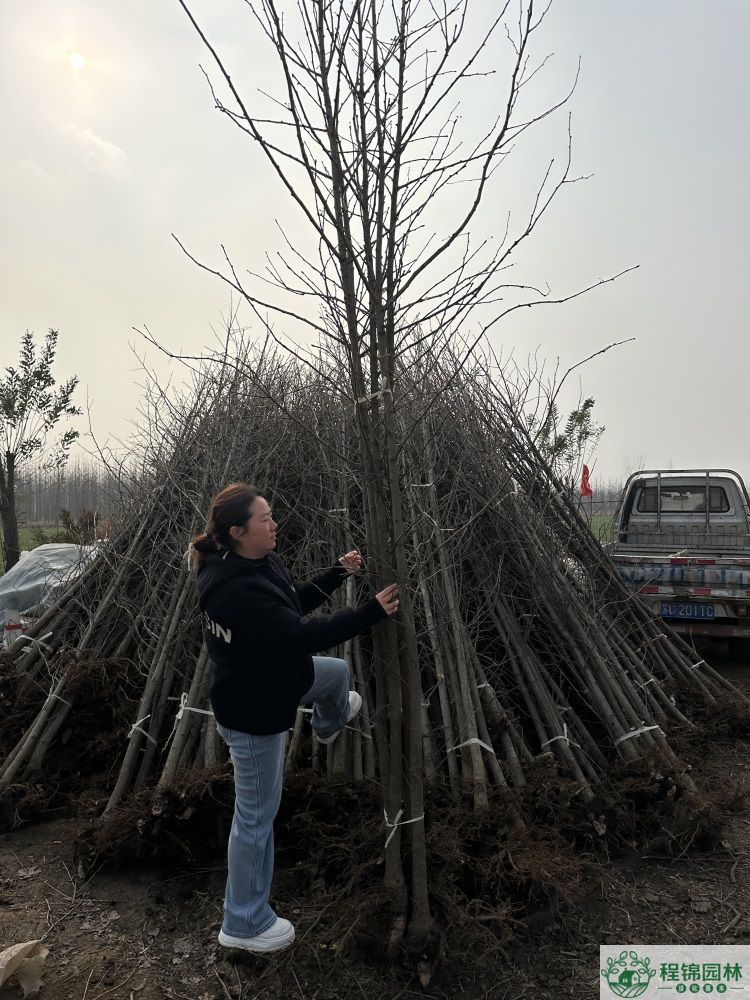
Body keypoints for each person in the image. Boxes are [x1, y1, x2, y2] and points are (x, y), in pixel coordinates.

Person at [190, 482, 398, 955]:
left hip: (274, 680)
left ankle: (328, 723)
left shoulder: (252, 564)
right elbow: (298, 634)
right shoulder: (234, 590)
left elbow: (291, 604)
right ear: (239, 531)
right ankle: (242, 922)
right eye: (265, 519)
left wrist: (333, 575)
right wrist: (370, 611)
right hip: (253, 713)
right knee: (256, 818)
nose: (274, 523)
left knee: (335, 676)